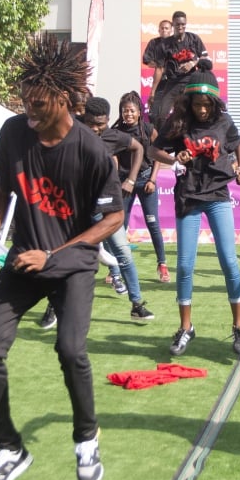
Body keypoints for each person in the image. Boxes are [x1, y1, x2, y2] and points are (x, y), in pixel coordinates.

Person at [0, 37, 121, 480]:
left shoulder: (91, 150)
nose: (29, 109)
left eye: (39, 103)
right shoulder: (12, 133)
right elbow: (3, 194)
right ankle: (9, 448)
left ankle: (86, 438)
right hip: (24, 261)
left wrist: (54, 253)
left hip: (72, 265)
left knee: (70, 350)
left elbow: (113, 219)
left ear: (64, 99)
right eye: (25, 99)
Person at [148, 71, 240, 356]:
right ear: (189, 102)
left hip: (217, 195)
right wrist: (173, 158)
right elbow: (153, 150)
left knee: (229, 262)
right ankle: (186, 328)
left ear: (215, 103)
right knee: (184, 266)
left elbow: (239, 143)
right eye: (197, 104)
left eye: (207, 104)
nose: (202, 109)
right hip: (189, 197)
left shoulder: (223, 121)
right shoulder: (179, 123)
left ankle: (239, 327)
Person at [82, 97, 156, 321]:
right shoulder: (74, 132)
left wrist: (132, 179)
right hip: (81, 211)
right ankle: (54, 308)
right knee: (70, 257)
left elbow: (139, 148)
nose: (95, 128)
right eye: (91, 123)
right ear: (84, 118)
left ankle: (137, 304)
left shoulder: (112, 136)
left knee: (123, 254)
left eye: (101, 124)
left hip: (108, 209)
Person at [113, 91, 170, 282]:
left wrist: (152, 180)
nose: (128, 114)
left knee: (153, 224)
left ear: (139, 112)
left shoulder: (148, 129)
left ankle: (162, 264)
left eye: (131, 111)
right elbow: (112, 157)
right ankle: (116, 268)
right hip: (124, 183)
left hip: (146, 181)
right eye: (124, 111)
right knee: (120, 225)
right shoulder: (116, 131)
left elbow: (157, 155)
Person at [149, 11, 208, 124]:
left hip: (191, 81)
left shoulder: (194, 39)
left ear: (186, 23)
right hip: (173, 82)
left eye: (183, 24)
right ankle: (163, 140)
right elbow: (159, 69)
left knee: (191, 114)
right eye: (177, 24)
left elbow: (206, 59)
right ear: (173, 24)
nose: (180, 27)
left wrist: (193, 63)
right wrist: (153, 92)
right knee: (161, 116)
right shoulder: (164, 44)